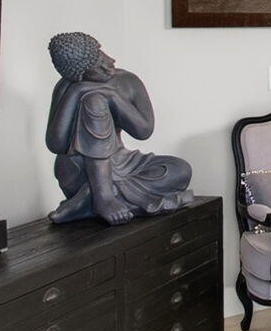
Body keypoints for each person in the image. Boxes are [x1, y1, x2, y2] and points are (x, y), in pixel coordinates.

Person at [44, 32, 194, 225]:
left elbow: (143, 131)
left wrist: (114, 97)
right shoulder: (68, 87)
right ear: (79, 75)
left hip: (121, 163)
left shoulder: (127, 81)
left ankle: (89, 198)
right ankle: (103, 197)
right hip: (78, 169)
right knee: (94, 101)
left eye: (101, 54)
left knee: (181, 170)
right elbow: (56, 144)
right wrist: (76, 91)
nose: (109, 62)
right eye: (98, 65)